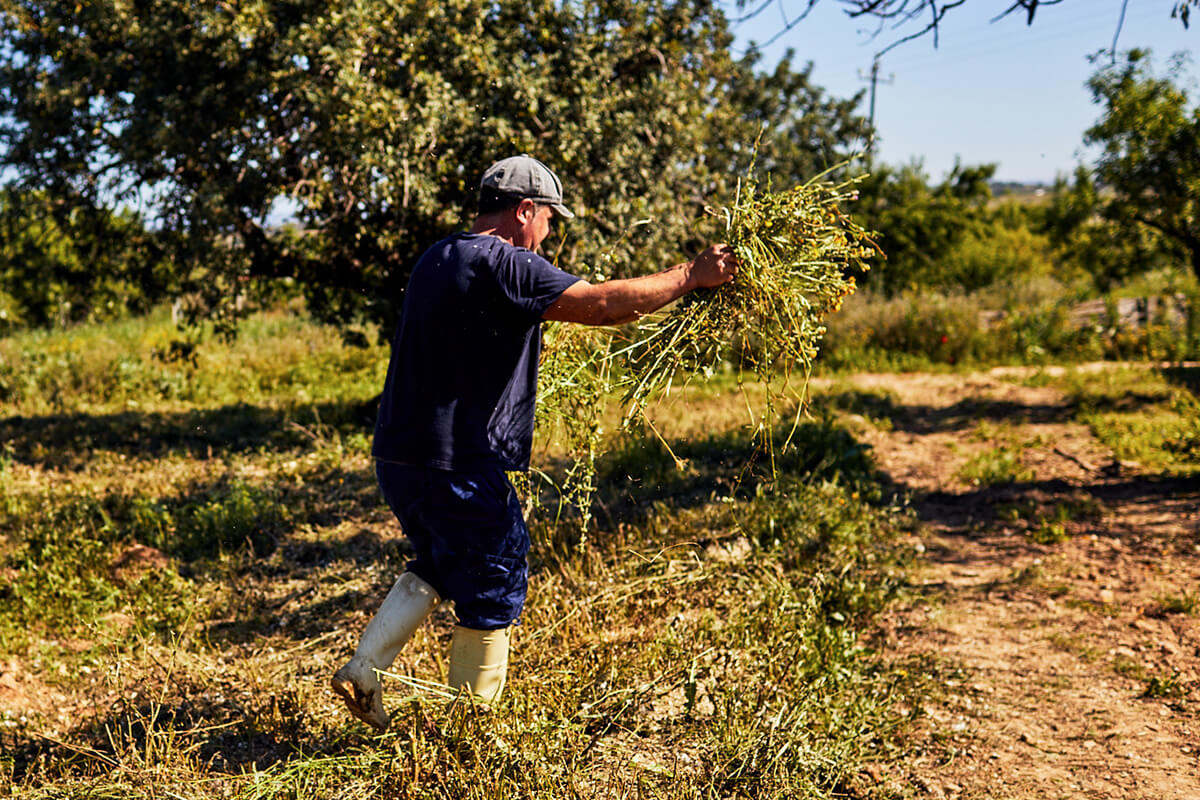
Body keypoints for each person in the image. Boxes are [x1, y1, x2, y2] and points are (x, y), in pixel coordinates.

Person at [331, 154, 737, 730]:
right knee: (499, 570)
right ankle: (470, 731)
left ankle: (366, 666)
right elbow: (601, 304)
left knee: (445, 562)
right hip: (459, 462)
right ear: (525, 211)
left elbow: (464, 344)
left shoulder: (436, 258)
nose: (547, 234)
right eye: (548, 219)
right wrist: (690, 275)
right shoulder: (508, 262)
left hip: (400, 456)